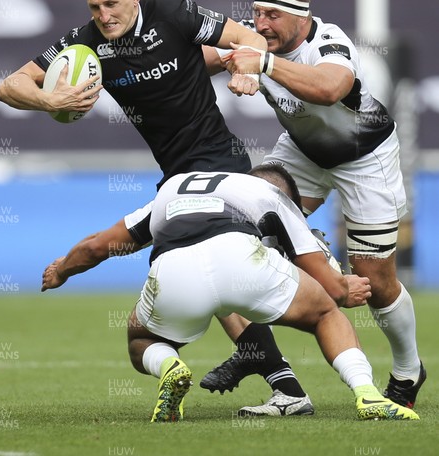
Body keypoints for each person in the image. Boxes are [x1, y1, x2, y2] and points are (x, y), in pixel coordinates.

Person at [0, 0, 315, 415]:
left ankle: (279, 361)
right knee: (220, 285)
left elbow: (246, 37)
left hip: (217, 166)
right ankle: (279, 376)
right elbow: (8, 86)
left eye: (111, 4)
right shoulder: (87, 46)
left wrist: (246, 68)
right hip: (175, 178)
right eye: (94, 7)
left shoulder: (173, 12)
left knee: (190, 287)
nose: (103, 16)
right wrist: (51, 98)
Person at [201, 0, 425, 415]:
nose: (260, 25)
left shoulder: (330, 42)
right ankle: (269, 367)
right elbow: (193, 61)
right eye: (256, 13)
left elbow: (329, 88)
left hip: (366, 157)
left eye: (271, 16)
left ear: (302, 16)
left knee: (377, 285)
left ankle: (407, 369)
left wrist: (260, 63)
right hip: (302, 152)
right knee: (231, 232)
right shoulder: (253, 40)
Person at [51, 164, 417, 422]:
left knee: (140, 340)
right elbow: (331, 285)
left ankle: (169, 366)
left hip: (174, 270)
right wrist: (344, 288)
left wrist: (62, 270)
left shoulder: (174, 186)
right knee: (325, 315)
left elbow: (98, 246)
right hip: (240, 258)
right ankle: (367, 394)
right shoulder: (272, 195)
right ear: (285, 192)